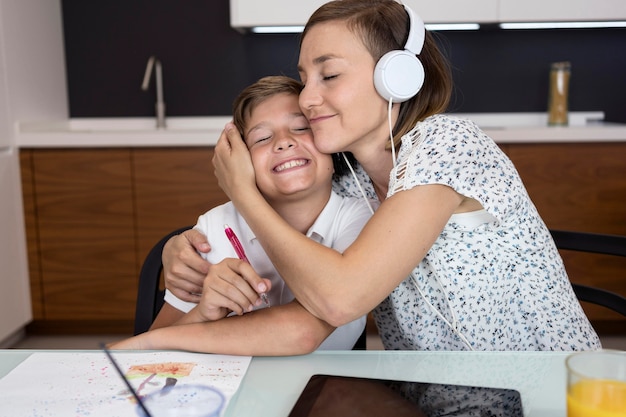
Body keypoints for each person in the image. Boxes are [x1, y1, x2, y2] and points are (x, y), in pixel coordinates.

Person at [165, 0, 600, 352]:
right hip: (422, 397)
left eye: (329, 75)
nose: (308, 98)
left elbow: (339, 297)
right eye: (305, 78)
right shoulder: (345, 176)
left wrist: (243, 193)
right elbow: (281, 239)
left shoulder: (447, 145)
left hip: (546, 392)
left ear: (397, 78)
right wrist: (178, 249)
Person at [109, 75, 373, 354]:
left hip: (330, 390)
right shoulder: (211, 230)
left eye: (300, 127)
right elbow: (153, 351)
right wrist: (205, 313)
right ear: (239, 162)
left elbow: (302, 332)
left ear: (334, 151)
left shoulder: (362, 219)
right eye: (262, 137)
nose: (283, 142)